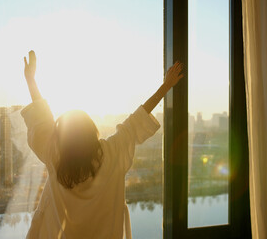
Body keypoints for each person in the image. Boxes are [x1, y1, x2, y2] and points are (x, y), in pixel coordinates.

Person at [22, 50, 184, 239]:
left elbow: (42, 122)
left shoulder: (55, 156)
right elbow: (137, 120)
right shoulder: (112, 153)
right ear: (92, 130)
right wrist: (166, 86)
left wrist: (31, 80)